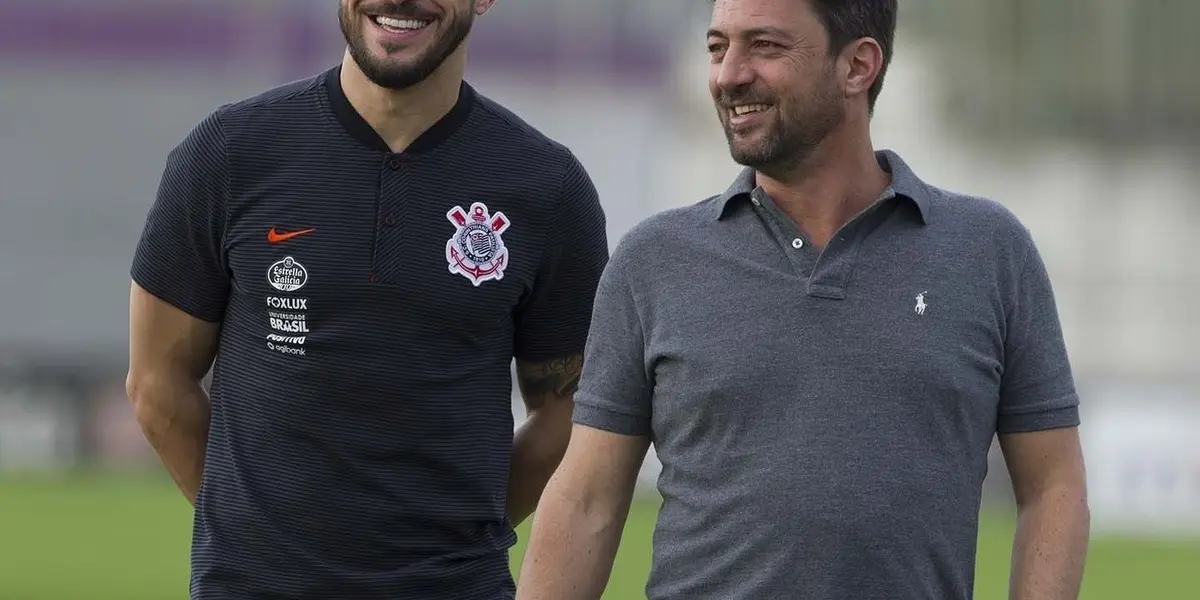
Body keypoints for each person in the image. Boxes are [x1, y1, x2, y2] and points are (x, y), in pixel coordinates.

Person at [515, 0, 1090, 599]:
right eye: (717, 48)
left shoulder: (989, 252)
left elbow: (1054, 487)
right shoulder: (653, 261)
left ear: (857, 66)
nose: (729, 75)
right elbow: (586, 501)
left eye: (764, 46)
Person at [125, 1, 608, 598]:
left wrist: (458, 539)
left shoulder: (547, 187)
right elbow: (156, 382)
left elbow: (566, 411)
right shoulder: (229, 152)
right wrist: (254, 534)